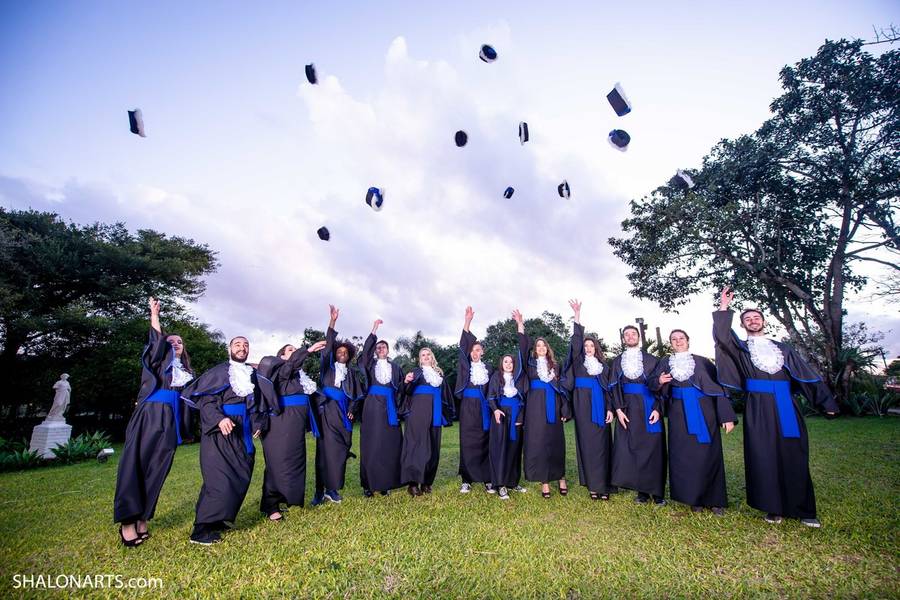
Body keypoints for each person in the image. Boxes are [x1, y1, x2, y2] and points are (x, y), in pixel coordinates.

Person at [714, 286, 838, 527]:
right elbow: (721, 336)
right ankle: (773, 508)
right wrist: (724, 307)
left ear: (764, 322)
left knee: (795, 453)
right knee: (763, 455)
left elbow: (806, 375)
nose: (752, 321)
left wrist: (826, 402)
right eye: (747, 319)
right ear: (743, 325)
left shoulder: (783, 349)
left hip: (786, 405)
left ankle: (804, 510)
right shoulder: (741, 349)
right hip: (758, 406)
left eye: (756, 318)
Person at [114, 297, 194, 547]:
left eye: (180, 342)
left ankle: (143, 517)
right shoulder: (157, 364)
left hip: (169, 421)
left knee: (158, 469)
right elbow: (155, 343)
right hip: (150, 415)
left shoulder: (186, 372)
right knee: (135, 465)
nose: (176, 344)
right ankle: (128, 521)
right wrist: (155, 316)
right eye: (171, 341)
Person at [182, 336, 265, 545]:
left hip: (242, 431)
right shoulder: (218, 372)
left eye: (246, 345)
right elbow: (206, 400)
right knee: (219, 478)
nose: (242, 348)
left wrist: (257, 424)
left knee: (240, 475)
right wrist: (219, 419)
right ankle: (201, 530)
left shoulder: (251, 374)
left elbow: (255, 404)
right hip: (220, 432)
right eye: (237, 344)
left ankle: (219, 519)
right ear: (229, 349)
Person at [649, 329, 736, 515]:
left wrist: (726, 416)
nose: (678, 341)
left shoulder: (703, 362)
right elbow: (652, 386)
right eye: (674, 339)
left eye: (681, 338)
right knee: (684, 456)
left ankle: (715, 500)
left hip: (705, 412)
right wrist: (659, 381)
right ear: (670, 343)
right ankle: (693, 498)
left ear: (688, 341)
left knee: (709, 454)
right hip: (678, 413)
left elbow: (719, 389)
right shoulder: (665, 362)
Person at [255, 339, 327, 520]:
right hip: (280, 424)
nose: (294, 352)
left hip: (295, 425)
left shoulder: (298, 377)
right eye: (290, 350)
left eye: (295, 350)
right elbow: (290, 366)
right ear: (281, 356)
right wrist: (308, 350)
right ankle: (271, 507)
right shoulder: (282, 371)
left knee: (292, 462)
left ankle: (281, 499)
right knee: (276, 463)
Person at [514, 309, 570, 499]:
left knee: (556, 442)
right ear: (534, 349)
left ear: (547, 348)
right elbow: (521, 349)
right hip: (535, 408)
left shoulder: (555, 366)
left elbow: (561, 390)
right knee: (538, 443)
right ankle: (544, 481)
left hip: (553, 407)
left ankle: (560, 476)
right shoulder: (529, 364)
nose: (540, 348)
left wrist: (564, 408)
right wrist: (520, 325)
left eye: (543, 345)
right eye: (537, 346)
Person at [609, 325, 666, 505]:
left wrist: (658, 408)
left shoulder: (653, 360)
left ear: (639, 337)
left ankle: (657, 493)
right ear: (623, 339)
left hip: (649, 407)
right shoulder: (617, 361)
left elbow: (662, 387)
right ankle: (641, 492)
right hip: (627, 409)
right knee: (633, 448)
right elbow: (613, 387)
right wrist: (618, 409)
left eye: (633, 333)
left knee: (653, 449)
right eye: (627, 334)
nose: (630, 336)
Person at [564, 300, 615, 500]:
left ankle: (605, 485)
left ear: (596, 348)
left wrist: (610, 408)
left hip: (601, 407)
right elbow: (575, 343)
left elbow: (609, 390)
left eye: (591, 345)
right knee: (586, 444)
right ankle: (593, 486)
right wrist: (577, 316)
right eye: (585, 346)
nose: (588, 348)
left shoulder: (604, 367)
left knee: (603, 446)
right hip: (583, 407)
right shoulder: (577, 363)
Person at [312, 305, 361, 506]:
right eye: (338, 351)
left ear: (348, 356)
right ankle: (320, 491)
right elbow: (328, 346)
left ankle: (332, 488)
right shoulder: (327, 367)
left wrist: (351, 411)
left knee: (340, 450)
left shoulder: (351, 374)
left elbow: (357, 397)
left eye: (345, 352)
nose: (341, 353)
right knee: (324, 451)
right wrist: (332, 322)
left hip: (343, 415)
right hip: (327, 412)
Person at [356, 319, 404, 497]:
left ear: (389, 350)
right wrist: (374, 330)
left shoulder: (397, 368)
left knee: (389, 445)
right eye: (378, 347)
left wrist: (399, 410)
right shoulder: (370, 365)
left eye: (384, 347)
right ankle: (369, 484)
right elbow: (365, 353)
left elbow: (401, 391)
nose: (380, 349)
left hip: (390, 409)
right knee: (371, 444)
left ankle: (386, 484)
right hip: (372, 408)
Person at [400, 347, 455, 496]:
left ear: (432, 357)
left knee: (433, 447)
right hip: (418, 415)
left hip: (435, 414)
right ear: (419, 359)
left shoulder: (439, 375)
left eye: (428, 354)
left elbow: (446, 397)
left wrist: (446, 413)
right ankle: (412, 484)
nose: (425, 357)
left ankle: (426, 482)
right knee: (417, 447)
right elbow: (406, 391)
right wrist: (406, 381)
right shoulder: (416, 372)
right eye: (422, 355)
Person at [486, 330, 530, 500]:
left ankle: (512, 481)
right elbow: (490, 396)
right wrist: (496, 410)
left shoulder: (519, 378)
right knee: (500, 449)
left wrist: (521, 417)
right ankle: (500, 484)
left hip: (516, 415)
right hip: (501, 415)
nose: (509, 364)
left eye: (511, 362)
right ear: (501, 363)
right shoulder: (496, 377)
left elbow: (524, 399)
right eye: (506, 362)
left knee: (514, 449)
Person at [455, 306, 493, 494]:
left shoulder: (490, 369)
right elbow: (462, 345)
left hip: (484, 407)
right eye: (473, 350)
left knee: (485, 440)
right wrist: (467, 321)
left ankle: (487, 477)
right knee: (467, 440)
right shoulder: (465, 366)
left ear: (482, 352)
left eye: (478, 350)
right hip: (468, 407)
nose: (475, 353)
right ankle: (467, 479)